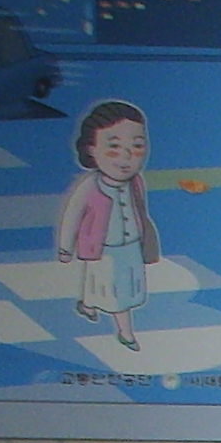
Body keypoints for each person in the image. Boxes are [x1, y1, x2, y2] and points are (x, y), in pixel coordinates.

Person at [52, 98, 155, 351]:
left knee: (111, 287)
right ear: (91, 149)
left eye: (137, 146)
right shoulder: (90, 186)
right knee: (116, 292)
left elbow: (141, 211)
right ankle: (126, 333)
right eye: (114, 147)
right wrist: (65, 248)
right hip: (103, 248)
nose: (127, 157)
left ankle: (88, 306)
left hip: (131, 246)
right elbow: (72, 216)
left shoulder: (136, 182)